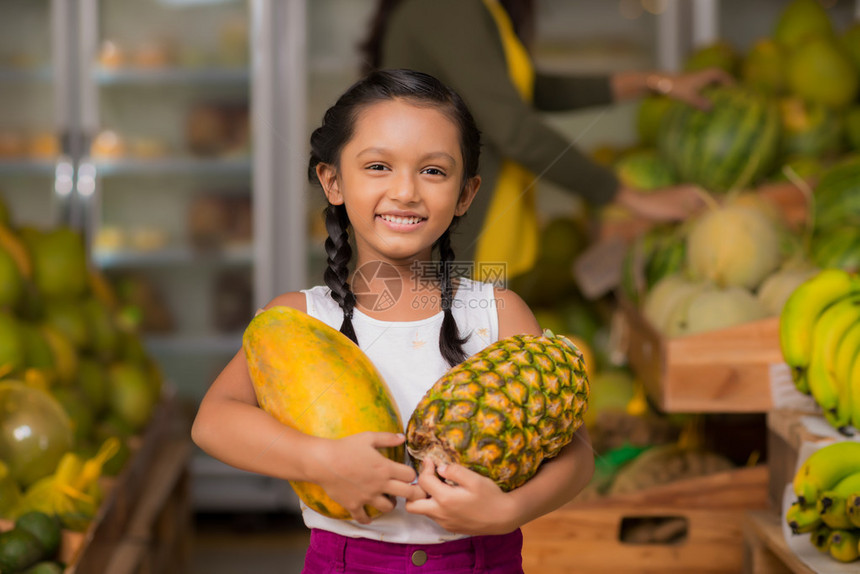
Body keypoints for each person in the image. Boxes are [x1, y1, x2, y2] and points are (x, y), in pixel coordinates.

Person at [191, 69, 594, 573]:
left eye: (433, 172)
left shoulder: (498, 312)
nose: (405, 192)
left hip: (479, 561)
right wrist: (317, 461)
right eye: (378, 166)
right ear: (332, 181)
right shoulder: (298, 319)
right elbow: (214, 422)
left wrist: (509, 510)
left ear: (466, 194)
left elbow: (575, 453)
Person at [360, 0, 733, 279]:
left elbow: (530, 90)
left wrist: (656, 83)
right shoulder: (449, 7)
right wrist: (633, 197)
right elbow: (516, 130)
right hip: (444, 247)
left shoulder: (476, 7)